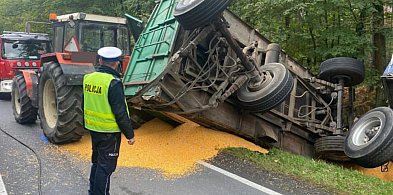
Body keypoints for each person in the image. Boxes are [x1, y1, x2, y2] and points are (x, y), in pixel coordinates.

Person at [83, 47, 135, 195]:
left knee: (97, 162)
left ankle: (93, 191)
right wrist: (129, 135)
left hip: (94, 129)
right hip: (109, 133)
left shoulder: (88, 78)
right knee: (106, 167)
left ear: (100, 61)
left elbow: (84, 103)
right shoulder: (113, 82)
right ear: (117, 63)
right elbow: (120, 112)